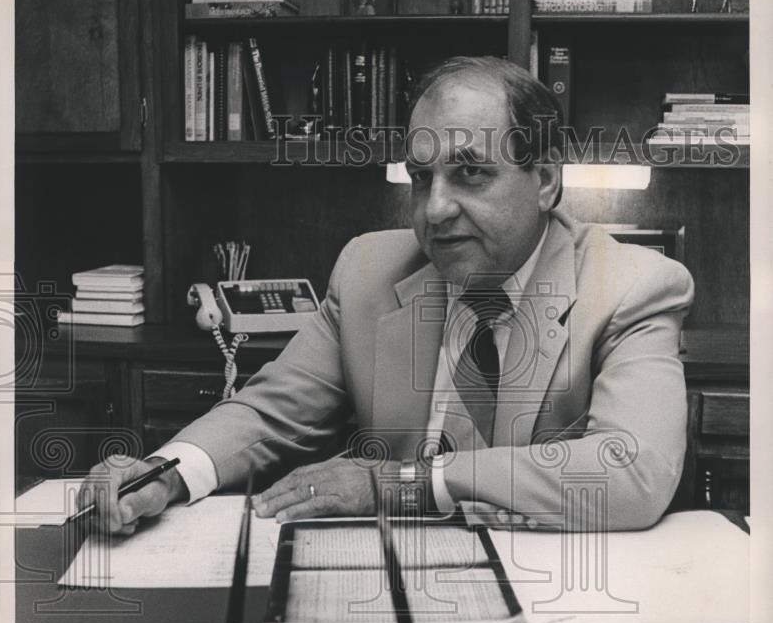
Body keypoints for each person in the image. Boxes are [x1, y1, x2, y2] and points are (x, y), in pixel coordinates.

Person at [80, 56, 693, 535]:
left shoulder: (631, 286)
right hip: (384, 576)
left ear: (546, 181)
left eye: (471, 172)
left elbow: (631, 470)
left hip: (552, 592)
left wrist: (402, 485)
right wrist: (166, 473)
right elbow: (271, 412)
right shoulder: (368, 266)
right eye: (420, 177)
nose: (435, 209)